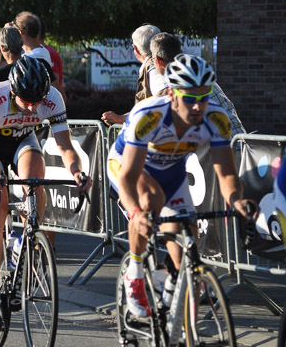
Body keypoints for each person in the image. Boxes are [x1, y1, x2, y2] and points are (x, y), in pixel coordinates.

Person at [107, 54, 256, 318]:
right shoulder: (149, 115)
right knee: (150, 200)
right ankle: (135, 274)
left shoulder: (215, 118)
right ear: (173, 94)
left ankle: (177, 307)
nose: (198, 107)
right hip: (128, 166)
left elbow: (227, 175)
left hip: (171, 172)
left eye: (204, 97)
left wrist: (236, 201)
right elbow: (129, 176)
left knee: (188, 238)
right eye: (190, 98)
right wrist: (136, 211)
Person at [0, 56, 91, 328]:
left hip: (23, 141)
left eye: (38, 100)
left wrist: (76, 172)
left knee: (36, 184)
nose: (33, 107)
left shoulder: (52, 99)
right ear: (13, 90)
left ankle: (22, 246)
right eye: (27, 101)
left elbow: (65, 147)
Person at [151, 34, 246, 138]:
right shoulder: (197, 69)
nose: (197, 106)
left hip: (223, 141)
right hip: (239, 141)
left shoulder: (174, 81)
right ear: (181, 52)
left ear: (158, 61)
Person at [101, 24, 161, 126]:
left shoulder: (152, 68)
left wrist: (122, 118)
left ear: (135, 49)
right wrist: (122, 118)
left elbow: (163, 99)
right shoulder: (156, 64)